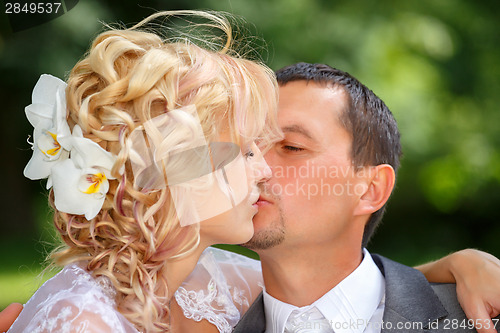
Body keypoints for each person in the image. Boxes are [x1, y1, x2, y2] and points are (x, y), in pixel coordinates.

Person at [7, 10, 281, 333]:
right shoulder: (83, 322)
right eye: (246, 151)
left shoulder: (226, 287)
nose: (264, 170)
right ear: (176, 168)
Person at [226, 63, 500, 333]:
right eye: (248, 147)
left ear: (371, 189)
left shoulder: (481, 318)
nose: (255, 166)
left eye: (292, 147)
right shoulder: (208, 319)